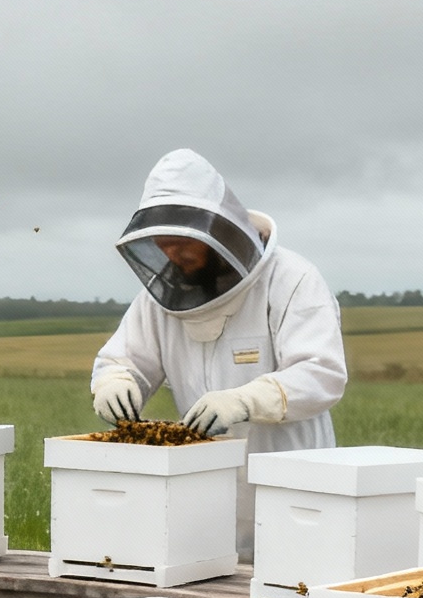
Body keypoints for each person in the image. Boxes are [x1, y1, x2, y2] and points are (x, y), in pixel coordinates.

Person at [87, 149, 348, 555]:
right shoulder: (160, 299)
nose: (172, 254)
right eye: (164, 244)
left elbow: (322, 374)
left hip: (295, 492)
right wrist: (114, 380)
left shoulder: (291, 280)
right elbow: (123, 359)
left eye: (181, 243)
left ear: (217, 231)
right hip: (205, 496)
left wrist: (246, 399)